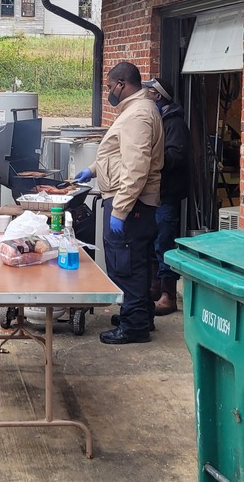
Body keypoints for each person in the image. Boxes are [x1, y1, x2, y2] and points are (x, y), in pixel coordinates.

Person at [74, 61, 163, 345]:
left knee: (127, 264)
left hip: (131, 203)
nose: (109, 91)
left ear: (122, 84)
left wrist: (121, 210)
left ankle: (134, 326)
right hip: (134, 202)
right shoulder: (136, 110)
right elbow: (118, 154)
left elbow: (136, 166)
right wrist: (92, 169)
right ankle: (138, 314)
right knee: (137, 260)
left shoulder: (137, 115)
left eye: (110, 86)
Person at [144, 77, 190, 316]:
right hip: (156, 193)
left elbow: (176, 158)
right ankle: (154, 288)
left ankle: (168, 296)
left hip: (167, 194)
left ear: (158, 97)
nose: (146, 98)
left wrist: (150, 159)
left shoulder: (174, 124)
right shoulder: (159, 120)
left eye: (149, 93)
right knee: (153, 240)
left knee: (164, 243)